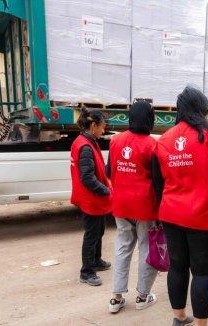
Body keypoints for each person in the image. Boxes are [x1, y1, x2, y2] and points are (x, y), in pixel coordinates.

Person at [153, 85, 208, 326]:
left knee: (177, 267)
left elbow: (158, 184)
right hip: (204, 216)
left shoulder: (163, 141)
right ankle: (201, 324)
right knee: (203, 272)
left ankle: (179, 318)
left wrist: (164, 210)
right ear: (203, 109)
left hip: (171, 215)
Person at [106, 100, 160, 313]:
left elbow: (109, 171)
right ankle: (142, 297)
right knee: (146, 247)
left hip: (120, 204)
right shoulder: (153, 145)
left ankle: (116, 297)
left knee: (122, 246)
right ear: (150, 119)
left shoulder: (115, 141)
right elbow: (157, 180)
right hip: (144, 205)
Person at [70, 108, 113, 286]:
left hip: (93, 198)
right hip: (91, 198)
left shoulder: (86, 141)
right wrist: (107, 190)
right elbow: (87, 177)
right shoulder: (85, 147)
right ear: (93, 125)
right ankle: (86, 271)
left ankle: (96, 260)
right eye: (102, 127)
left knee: (99, 230)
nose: (103, 131)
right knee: (92, 235)